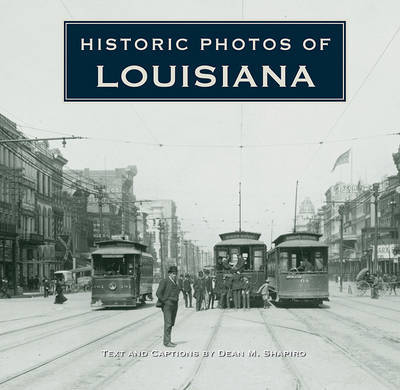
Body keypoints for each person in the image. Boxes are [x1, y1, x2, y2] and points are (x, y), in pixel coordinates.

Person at [156, 265, 180, 347]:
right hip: (167, 306)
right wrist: (165, 301)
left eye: (176, 273)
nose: (175, 275)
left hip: (174, 305)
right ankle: (166, 342)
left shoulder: (175, 282)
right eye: (173, 273)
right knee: (168, 323)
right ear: (169, 274)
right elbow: (158, 293)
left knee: (171, 323)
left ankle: (169, 340)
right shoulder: (164, 281)